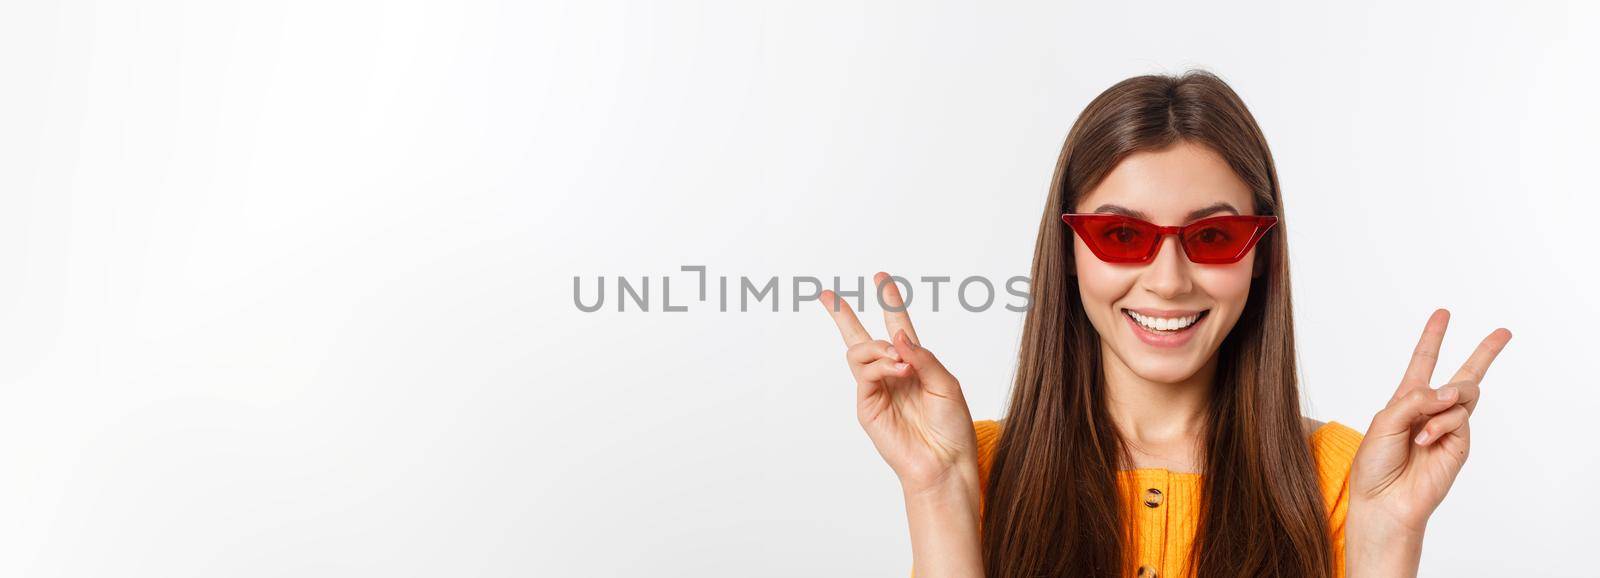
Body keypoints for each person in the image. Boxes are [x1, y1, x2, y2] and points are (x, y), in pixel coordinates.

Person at [816, 70, 1512, 578]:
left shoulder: (1345, 480)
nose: (1170, 280)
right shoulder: (977, 469)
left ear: (1261, 255)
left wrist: (1387, 537)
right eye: (1122, 235)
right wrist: (936, 495)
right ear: (1069, 253)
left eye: (1212, 238)